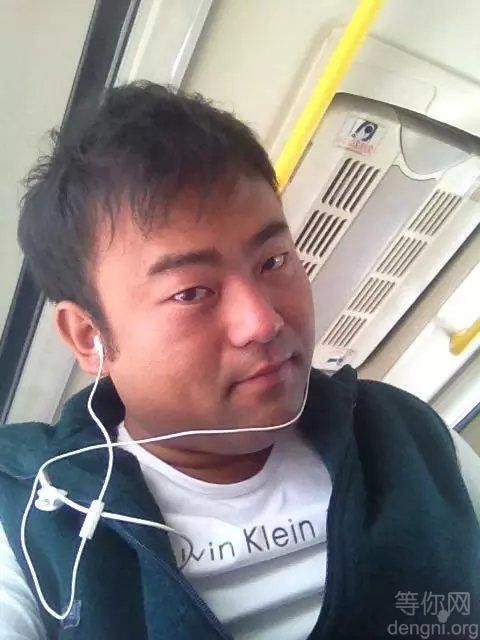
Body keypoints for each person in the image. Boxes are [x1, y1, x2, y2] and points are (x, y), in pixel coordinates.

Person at [0, 82, 479, 640]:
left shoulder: (411, 438)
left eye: (274, 260)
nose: (263, 321)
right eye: (191, 292)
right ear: (89, 336)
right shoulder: (29, 516)